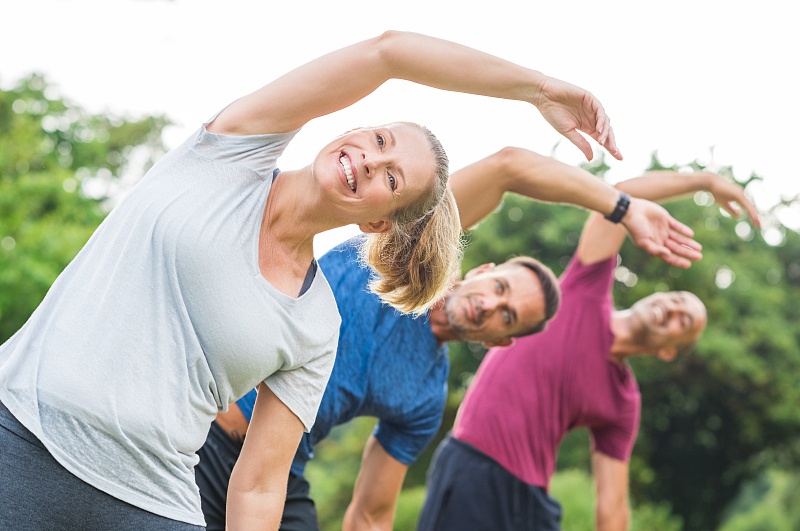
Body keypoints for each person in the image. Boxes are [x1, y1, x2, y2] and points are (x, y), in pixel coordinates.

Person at [0, 30, 648, 531]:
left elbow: (270, 487)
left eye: (392, 179)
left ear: (379, 222)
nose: (371, 160)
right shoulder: (231, 151)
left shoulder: (325, 325)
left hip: (154, 492)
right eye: (379, 139)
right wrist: (537, 89)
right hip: (28, 431)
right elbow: (389, 52)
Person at [195, 146, 705, 531]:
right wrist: (623, 207)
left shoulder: (422, 398)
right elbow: (508, 167)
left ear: (500, 342)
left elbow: (372, 514)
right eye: (500, 288)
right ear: (481, 270)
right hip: (206, 439)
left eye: (507, 316)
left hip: (278, 476)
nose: (490, 305)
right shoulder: (399, 256)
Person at [416, 169, 761, 531]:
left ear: (670, 350)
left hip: (532, 507)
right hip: (474, 467)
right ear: (658, 293)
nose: (673, 310)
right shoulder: (586, 288)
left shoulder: (623, 402)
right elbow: (619, 198)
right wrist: (703, 182)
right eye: (677, 300)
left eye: (683, 322)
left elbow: (612, 503)